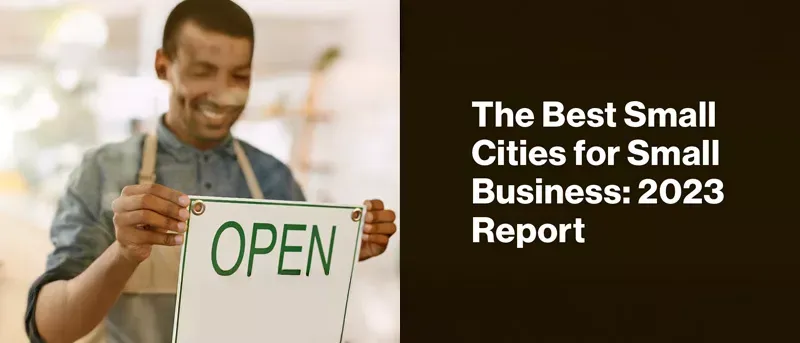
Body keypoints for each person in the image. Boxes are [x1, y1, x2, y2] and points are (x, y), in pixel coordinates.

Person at [24, 1, 398, 342]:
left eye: (239, 76)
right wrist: (122, 254)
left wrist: (338, 255)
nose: (223, 94)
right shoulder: (103, 172)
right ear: (163, 66)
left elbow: (298, 317)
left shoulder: (273, 178)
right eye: (203, 72)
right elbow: (50, 329)